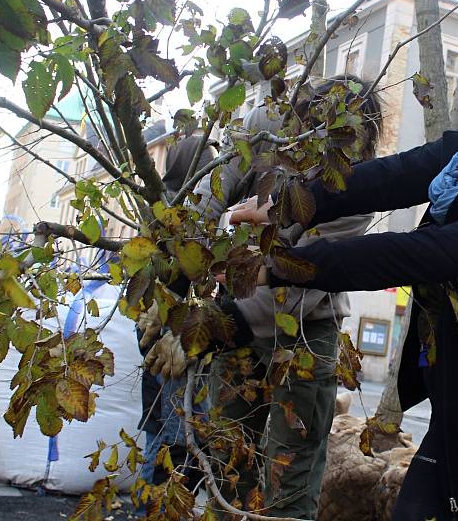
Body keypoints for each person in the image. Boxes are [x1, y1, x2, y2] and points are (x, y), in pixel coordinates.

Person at [230, 66, 458, 521]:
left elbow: (409, 254)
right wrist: (285, 203)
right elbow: (390, 176)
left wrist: (277, 269)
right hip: (457, 396)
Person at [145, 75, 382, 520]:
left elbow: (299, 281)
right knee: (227, 456)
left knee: (290, 475)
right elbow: (209, 195)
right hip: (234, 312)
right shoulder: (266, 126)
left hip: (306, 331)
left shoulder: (359, 189)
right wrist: (175, 279)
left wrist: (213, 325)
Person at [136, 134, 217, 490]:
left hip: (153, 336)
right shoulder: (191, 216)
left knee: (157, 433)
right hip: (173, 341)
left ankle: (148, 505)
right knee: (175, 439)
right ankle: (159, 506)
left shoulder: (156, 211)